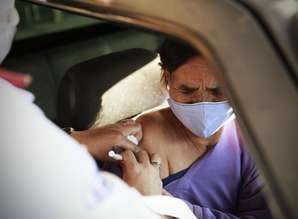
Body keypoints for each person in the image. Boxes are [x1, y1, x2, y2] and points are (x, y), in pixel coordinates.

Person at [0, 1, 196, 219]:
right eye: (187, 90)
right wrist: (151, 202)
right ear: (167, 79)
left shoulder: (14, 116)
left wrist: (77, 139)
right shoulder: (9, 115)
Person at [130, 39, 273, 218]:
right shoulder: (139, 138)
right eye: (187, 90)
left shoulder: (255, 142)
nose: (203, 104)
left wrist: (162, 206)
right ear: (167, 78)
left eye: (218, 91)